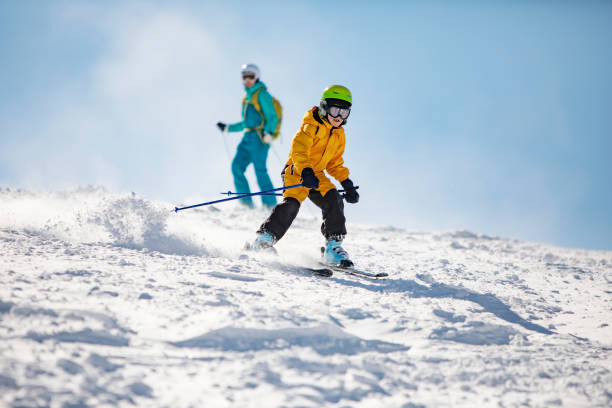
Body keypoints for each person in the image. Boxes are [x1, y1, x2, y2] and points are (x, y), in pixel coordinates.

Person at [249, 85, 360, 266]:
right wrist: (306, 171)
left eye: (344, 112)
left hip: (317, 175)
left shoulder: (339, 135)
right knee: (291, 204)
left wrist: (346, 182)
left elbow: (334, 162)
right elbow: (298, 150)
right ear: (324, 107)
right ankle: (263, 239)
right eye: (335, 110)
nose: (339, 117)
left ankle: (333, 247)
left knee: (334, 198)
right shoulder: (311, 126)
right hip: (297, 171)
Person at [217, 63, 279, 209]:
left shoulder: (262, 94)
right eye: (244, 77)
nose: (247, 80)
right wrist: (228, 128)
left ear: (256, 77)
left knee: (260, 170)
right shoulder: (247, 97)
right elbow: (246, 123)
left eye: (250, 77)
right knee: (236, 167)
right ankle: (246, 204)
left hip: (260, 137)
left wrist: (269, 132)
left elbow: (272, 116)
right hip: (247, 138)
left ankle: (270, 206)